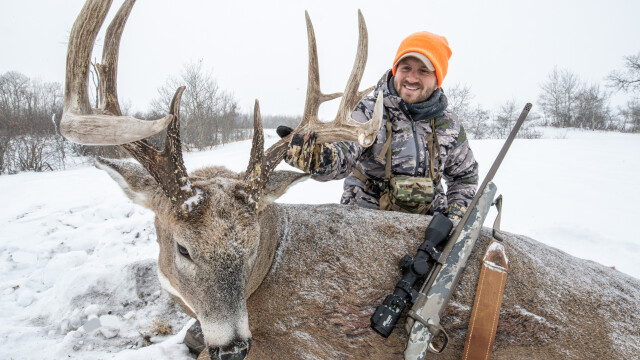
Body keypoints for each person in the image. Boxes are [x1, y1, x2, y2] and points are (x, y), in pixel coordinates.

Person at [281, 30, 478, 220]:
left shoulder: (448, 124)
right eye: (406, 68)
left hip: (427, 228)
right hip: (366, 222)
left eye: (423, 71)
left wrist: (454, 215)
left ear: (437, 78)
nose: (411, 78)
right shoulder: (368, 111)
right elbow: (342, 157)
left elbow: (465, 177)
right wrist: (315, 157)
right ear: (395, 70)